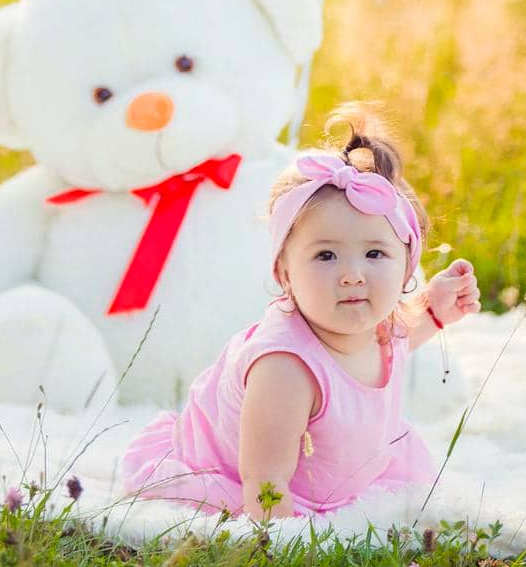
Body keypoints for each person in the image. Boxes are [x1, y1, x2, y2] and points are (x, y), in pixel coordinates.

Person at [121, 106, 481, 519]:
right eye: (326, 255)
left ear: (406, 266)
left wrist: (435, 309)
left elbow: (402, 337)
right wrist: (289, 549)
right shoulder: (284, 368)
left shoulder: (380, 327)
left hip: (344, 468)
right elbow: (265, 481)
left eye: (375, 253)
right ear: (284, 273)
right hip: (250, 478)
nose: (352, 275)